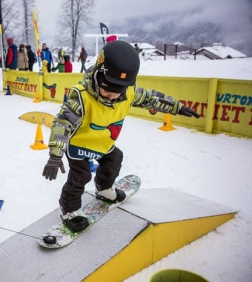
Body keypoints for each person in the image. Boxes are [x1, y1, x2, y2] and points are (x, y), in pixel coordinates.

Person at [42, 41, 200, 232]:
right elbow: (63, 122)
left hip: (104, 144)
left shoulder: (129, 93)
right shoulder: (81, 96)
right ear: (98, 75)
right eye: (107, 90)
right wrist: (55, 154)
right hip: (79, 145)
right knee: (80, 177)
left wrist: (178, 107)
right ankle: (70, 210)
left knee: (114, 160)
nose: (111, 96)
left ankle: (103, 188)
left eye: (117, 93)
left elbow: (152, 98)